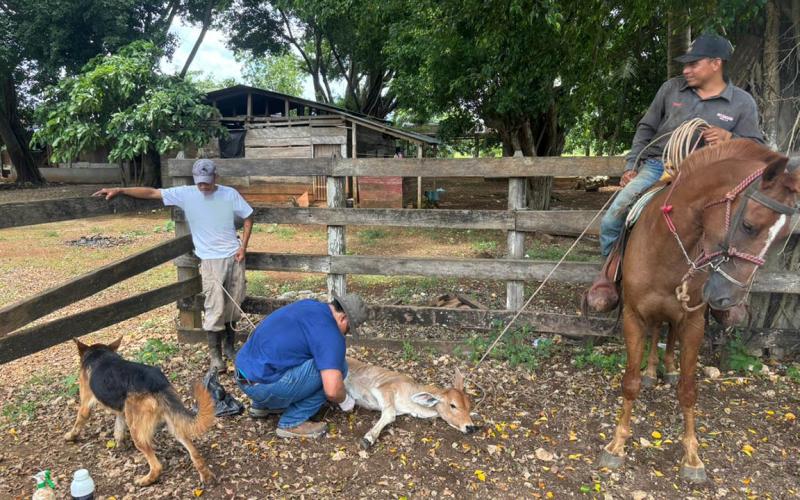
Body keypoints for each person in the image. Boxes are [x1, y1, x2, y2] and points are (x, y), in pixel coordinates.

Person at [586, 34, 764, 312]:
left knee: (733, 230)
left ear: (716, 63)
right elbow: (646, 128)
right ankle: (611, 276)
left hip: (710, 180)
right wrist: (632, 165)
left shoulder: (741, 103)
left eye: (693, 64)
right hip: (661, 167)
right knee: (613, 217)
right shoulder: (671, 90)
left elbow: (757, 148)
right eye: (685, 65)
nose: (686, 70)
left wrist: (731, 139)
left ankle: (724, 298)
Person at [93, 159, 254, 372]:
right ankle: (216, 356)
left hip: (234, 256)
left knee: (235, 303)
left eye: (207, 182)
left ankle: (229, 347)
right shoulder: (187, 194)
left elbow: (249, 217)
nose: (203, 186)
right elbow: (153, 193)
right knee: (215, 306)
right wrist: (121, 189)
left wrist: (243, 247)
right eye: (200, 183)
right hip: (211, 260)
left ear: (216, 177)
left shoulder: (229, 194)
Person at [233, 293, 368, 439]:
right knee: (339, 367)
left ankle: (262, 406)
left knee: (307, 356)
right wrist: (345, 400)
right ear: (343, 318)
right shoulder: (331, 333)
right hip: (263, 387)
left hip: (243, 373)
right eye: (349, 328)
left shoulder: (308, 305)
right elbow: (333, 391)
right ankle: (292, 422)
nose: (345, 333)